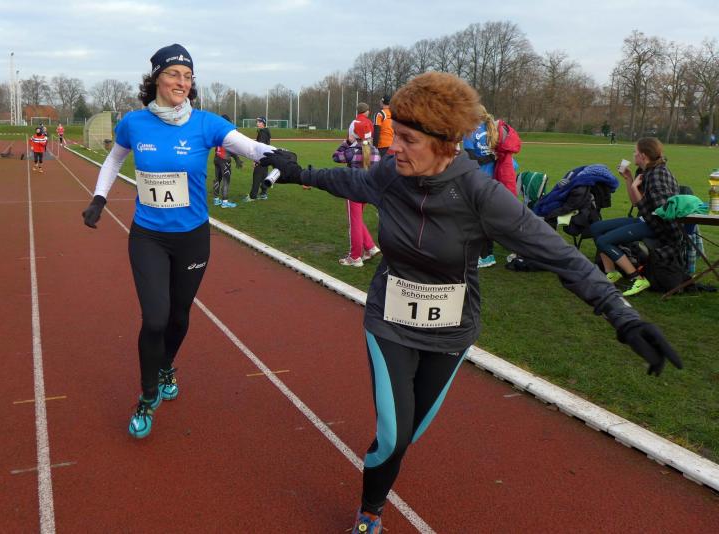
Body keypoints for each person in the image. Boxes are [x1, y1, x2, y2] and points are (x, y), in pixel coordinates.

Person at [260, 72, 682, 533]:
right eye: (395, 135)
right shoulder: (390, 175)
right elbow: (349, 180)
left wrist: (622, 315)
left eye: (408, 139)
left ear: (445, 143)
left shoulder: (483, 195)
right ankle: (371, 513)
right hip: (390, 321)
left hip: (450, 332)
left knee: (409, 434)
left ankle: (377, 492)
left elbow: (562, 257)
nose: (393, 147)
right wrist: (298, 172)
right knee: (393, 436)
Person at [80, 44, 277, 439]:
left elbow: (251, 147)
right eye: (174, 74)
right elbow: (115, 159)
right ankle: (147, 395)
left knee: (179, 316)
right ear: (156, 78)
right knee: (155, 318)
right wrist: (99, 197)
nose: (182, 82)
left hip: (192, 238)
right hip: (148, 236)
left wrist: (278, 156)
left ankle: (167, 364)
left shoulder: (206, 124)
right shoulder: (134, 123)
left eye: (188, 76)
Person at [590, 138, 682, 297]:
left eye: (635, 152)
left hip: (657, 227)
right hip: (646, 219)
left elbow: (661, 213)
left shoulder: (657, 176)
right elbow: (635, 202)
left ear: (643, 156)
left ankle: (637, 278)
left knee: (603, 241)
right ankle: (612, 273)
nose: (633, 154)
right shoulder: (646, 171)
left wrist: (635, 188)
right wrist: (629, 180)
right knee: (596, 228)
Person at [462, 105, 521, 268]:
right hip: (502, 177)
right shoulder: (494, 128)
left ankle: (486, 256)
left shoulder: (470, 131)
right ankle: (518, 250)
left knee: (480, 219)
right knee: (501, 217)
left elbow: (471, 158)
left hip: (481, 180)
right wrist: (492, 158)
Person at [335, 102, 380, 267]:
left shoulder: (352, 151)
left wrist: (347, 142)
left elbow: (336, 156)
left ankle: (355, 257)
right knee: (358, 219)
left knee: (354, 222)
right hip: (368, 189)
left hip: (353, 188)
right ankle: (370, 247)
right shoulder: (375, 151)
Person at [212, 114, 243, 208]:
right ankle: (225, 202)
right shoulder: (229, 131)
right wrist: (237, 159)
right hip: (224, 160)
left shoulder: (217, 130)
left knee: (217, 179)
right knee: (226, 180)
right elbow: (231, 148)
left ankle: (216, 199)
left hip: (216, 158)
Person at [244, 117, 272, 201]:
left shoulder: (262, 133)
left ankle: (252, 196)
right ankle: (263, 193)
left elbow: (260, 147)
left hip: (261, 158)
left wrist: (256, 160)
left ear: (263, 123)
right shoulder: (265, 132)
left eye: (259, 122)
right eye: (257, 122)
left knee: (257, 176)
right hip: (266, 158)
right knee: (263, 175)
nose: (257, 123)